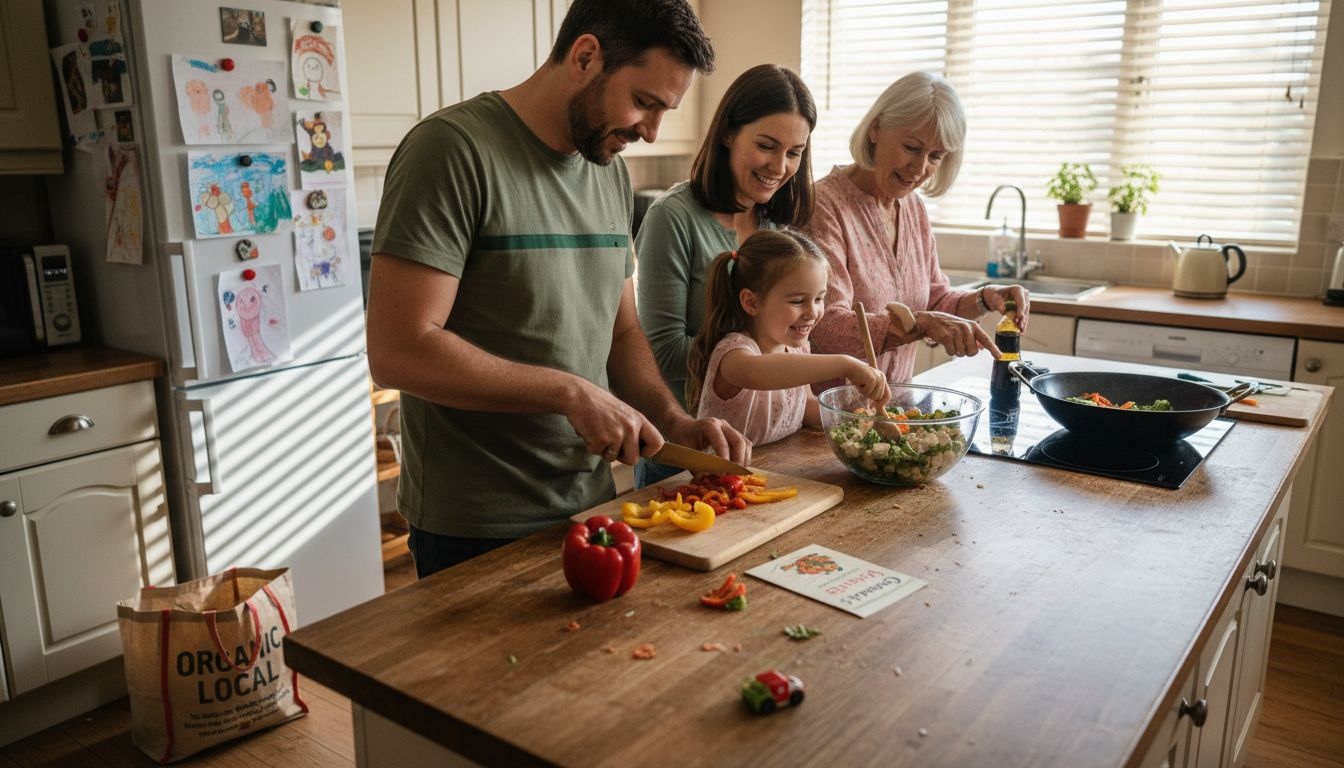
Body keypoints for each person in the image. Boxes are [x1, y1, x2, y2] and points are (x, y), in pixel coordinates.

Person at [365, 0, 749, 578]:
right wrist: (570, 393)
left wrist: (675, 423)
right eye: (644, 102)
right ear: (586, 56)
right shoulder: (451, 150)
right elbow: (398, 350)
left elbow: (620, 331)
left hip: (590, 509)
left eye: (665, 110)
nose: (650, 131)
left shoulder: (607, 170)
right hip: (474, 527)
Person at [634, 64, 816, 487]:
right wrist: (745, 362)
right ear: (728, 134)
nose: (780, 166)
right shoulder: (672, 218)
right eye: (767, 146)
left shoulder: (777, 224)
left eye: (794, 152)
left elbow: (791, 340)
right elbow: (661, 352)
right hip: (690, 455)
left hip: (769, 447)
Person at [801, 72, 1029, 387]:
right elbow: (824, 324)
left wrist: (987, 299)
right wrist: (920, 324)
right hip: (828, 414)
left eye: (935, 156)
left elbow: (934, 301)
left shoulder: (912, 207)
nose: (920, 169)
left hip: (893, 409)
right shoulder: (824, 206)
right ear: (876, 128)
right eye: (911, 147)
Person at [685, 230, 890, 445]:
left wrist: (855, 415)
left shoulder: (796, 350)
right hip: (723, 476)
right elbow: (758, 372)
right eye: (797, 301)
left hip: (776, 470)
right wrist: (846, 365)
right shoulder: (734, 354)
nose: (813, 312)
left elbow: (806, 408)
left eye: (819, 298)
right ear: (751, 302)